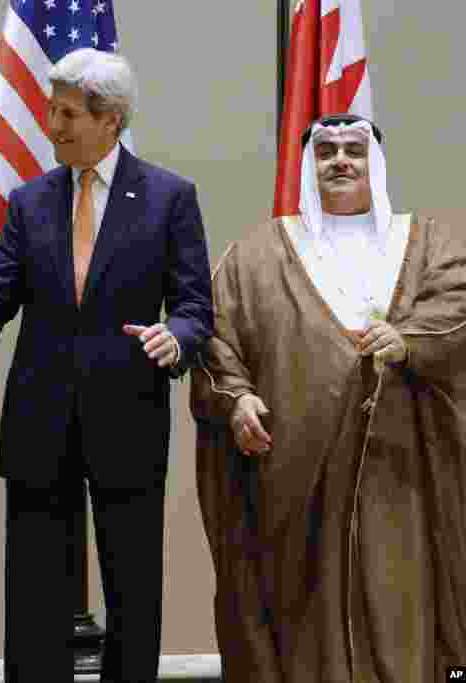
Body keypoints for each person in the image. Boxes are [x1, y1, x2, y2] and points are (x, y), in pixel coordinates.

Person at [0, 49, 213, 682]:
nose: (51, 126)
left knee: (133, 586)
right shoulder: (29, 201)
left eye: (65, 113)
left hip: (129, 418)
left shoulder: (169, 198)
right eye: (49, 110)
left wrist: (179, 338)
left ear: (109, 119)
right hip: (40, 420)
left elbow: (195, 305)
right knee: (34, 590)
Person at [192, 114, 466, 681]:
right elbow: (215, 339)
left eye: (354, 151)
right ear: (307, 168)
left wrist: (408, 340)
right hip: (291, 474)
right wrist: (237, 399)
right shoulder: (256, 256)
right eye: (325, 152)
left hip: (400, 475)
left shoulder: (426, 242)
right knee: (299, 617)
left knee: (401, 598)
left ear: (377, 166)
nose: (340, 161)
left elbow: (456, 305)